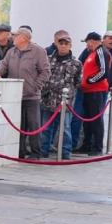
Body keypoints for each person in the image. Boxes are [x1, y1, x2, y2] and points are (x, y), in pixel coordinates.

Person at [0, 25, 51, 159]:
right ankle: (20, 152)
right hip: (15, 96)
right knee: (18, 125)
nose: (12, 37)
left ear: (23, 38)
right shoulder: (11, 52)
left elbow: (45, 72)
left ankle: (36, 153)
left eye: (15, 35)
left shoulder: (38, 51)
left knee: (33, 125)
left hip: (31, 96)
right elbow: (3, 64)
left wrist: (35, 86)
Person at [39, 30, 81, 159]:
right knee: (45, 127)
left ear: (70, 45)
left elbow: (78, 81)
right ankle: (43, 150)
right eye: (60, 43)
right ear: (56, 44)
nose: (63, 46)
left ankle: (65, 152)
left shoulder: (76, 63)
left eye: (66, 44)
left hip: (65, 102)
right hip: (48, 99)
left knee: (65, 128)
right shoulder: (48, 59)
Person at [78, 31, 109, 156]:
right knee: (88, 120)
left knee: (96, 120)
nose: (87, 45)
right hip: (89, 90)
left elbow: (103, 71)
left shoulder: (101, 52)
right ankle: (87, 145)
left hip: (96, 91)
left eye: (87, 42)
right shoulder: (92, 53)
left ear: (93, 41)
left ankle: (97, 147)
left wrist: (90, 81)